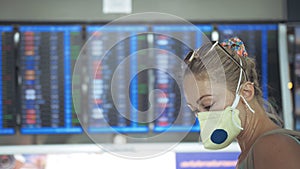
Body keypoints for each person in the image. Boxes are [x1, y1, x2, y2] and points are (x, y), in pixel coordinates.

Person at [183, 37, 300, 169]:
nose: (203, 117)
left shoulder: (273, 147)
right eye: (196, 110)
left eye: (208, 105)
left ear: (246, 92)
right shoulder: (250, 153)